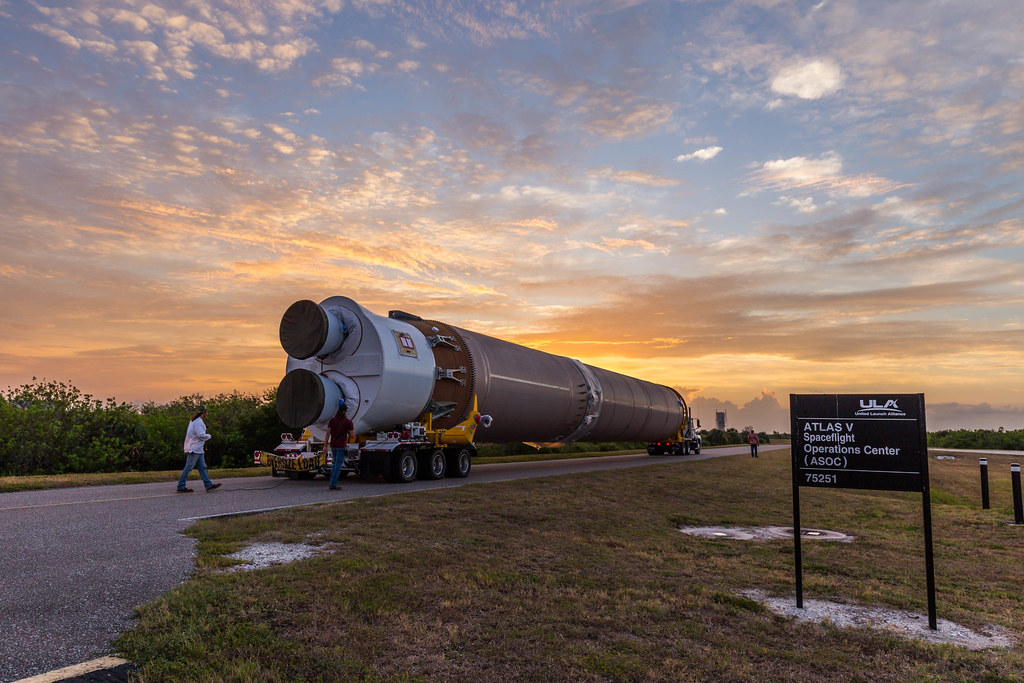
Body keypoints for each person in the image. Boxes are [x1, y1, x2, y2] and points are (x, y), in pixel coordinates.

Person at [177, 405, 221, 492]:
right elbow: (200, 435)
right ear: (203, 413)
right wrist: (208, 436)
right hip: (194, 448)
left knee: (202, 467)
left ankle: (208, 484)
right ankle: (180, 486)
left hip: (198, 449)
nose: (207, 414)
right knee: (188, 467)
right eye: (206, 412)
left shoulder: (194, 421)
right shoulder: (198, 422)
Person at [324, 402, 355, 490]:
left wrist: (325, 446)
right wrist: (348, 433)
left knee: (334, 465)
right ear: (345, 411)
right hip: (341, 445)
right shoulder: (348, 422)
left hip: (333, 445)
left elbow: (327, 434)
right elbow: (352, 435)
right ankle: (333, 484)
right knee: (338, 466)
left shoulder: (332, 420)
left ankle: (332, 482)